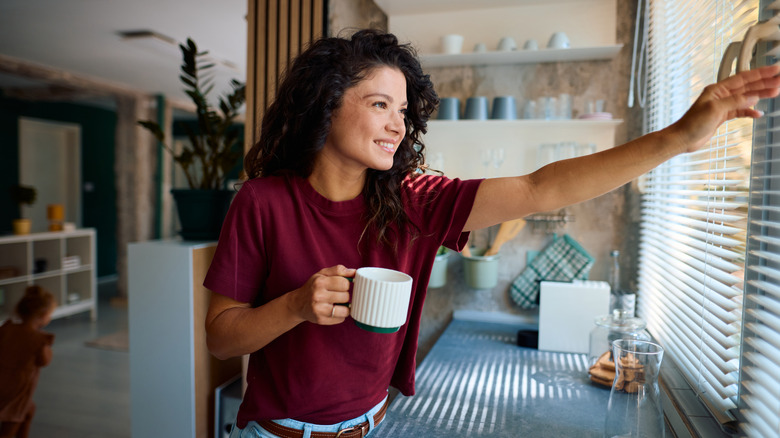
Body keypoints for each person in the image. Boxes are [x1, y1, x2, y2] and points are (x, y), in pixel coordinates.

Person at [204, 29, 780, 437]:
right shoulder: (262, 202)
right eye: (380, 103)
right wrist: (297, 306)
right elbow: (222, 339)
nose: (397, 124)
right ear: (325, 106)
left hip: (375, 426)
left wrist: (679, 137)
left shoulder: (412, 202)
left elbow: (539, 188)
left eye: (403, 110)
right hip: (277, 434)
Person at [0, 285, 56, 438]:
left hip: (2, 381)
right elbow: (44, 361)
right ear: (43, 315)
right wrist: (47, 347)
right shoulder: (38, 339)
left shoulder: (7, 328)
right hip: (18, 389)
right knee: (11, 424)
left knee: (29, 410)